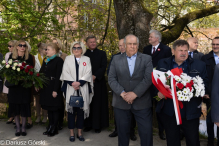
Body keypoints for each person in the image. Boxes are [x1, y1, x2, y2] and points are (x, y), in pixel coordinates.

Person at [156, 40, 208, 146]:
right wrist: (158, 91)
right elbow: (156, 81)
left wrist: (196, 90)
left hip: (190, 111)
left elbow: (205, 84)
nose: (183, 53)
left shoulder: (199, 65)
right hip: (170, 110)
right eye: (180, 50)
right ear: (173, 51)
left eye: (185, 50)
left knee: (193, 141)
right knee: (172, 141)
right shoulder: (163, 63)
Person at [108, 34, 153, 146]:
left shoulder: (147, 59)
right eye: (129, 44)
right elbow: (111, 79)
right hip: (121, 103)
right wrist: (123, 94)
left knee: (146, 133)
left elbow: (148, 79)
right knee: (123, 135)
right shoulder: (116, 59)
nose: (132, 46)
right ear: (124, 45)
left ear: (138, 45)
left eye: (135, 44)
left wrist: (135, 94)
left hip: (142, 102)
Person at [60, 41, 94, 142]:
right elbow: (65, 72)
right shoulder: (68, 59)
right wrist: (73, 83)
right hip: (71, 88)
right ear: (72, 49)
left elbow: (88, 72)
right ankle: (71, 133)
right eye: (74, 48)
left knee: (80, 112)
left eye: (78, 48)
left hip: (82, 88)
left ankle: (79, 132)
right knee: (71, 112)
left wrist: (79, 83)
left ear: (82, 49)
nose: (76, 50)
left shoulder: (86, 59)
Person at [143, 29, 172, 140]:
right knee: (147, 108)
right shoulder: (146, 49)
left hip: (159, 86)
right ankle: (147, 130)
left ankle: (161, 131)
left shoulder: (166, 49)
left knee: (160, 109)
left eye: (151, 37)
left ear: (157, 38)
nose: (149, 38)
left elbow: (168, 67)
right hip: (148, 84)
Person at [107, 39, 137, 141]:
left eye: (123, 45)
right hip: (119, 91)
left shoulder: (136, 57)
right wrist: (120, 90)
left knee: (132, 114)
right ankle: (117, 130)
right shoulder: (115, 57)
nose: (122, 47)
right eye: (120, 45)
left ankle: (131, 132)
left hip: (133, 92)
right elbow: (110, 74)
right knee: (119, 115)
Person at [7, 40, 34, 136]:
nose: (22, 47)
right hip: (14, 87)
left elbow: (31, 70)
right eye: (20, 45)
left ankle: (23, 128)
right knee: (16, 108)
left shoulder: (29, 57)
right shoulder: (12, 56)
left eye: (24, 45)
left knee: (24, 107)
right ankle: (18, 127)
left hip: (24, 86)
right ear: (17, 47)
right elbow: (8, 71)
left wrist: (24, 77)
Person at [84, 35, 109, 133]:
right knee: (88, 103)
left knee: (98, 104)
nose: (93, 43)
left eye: (94, 41)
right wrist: (88, 78)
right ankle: (88, 125)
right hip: (86, 83)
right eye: (91, 42)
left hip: (99, 83)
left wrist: (95, 76)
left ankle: (98, 125)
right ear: (87, 44)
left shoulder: (102, 53)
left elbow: (103, 67)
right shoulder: (84, 54)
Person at [38, 42, 64, 137]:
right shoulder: (46, 60)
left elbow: (59, 77)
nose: (46, 51)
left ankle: (54, 128)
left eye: (48, 49)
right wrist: (38, 84)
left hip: (54, 88)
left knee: (54, 109)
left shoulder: (59, 61)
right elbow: (40, 74)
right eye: (46, 49)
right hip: (46, 88)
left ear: (54, 50)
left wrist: (55, 90)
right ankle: (50, 126)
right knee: (49, 108)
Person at [201, 36, 219, 146]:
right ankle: (210, 140)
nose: (215, 46)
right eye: (213, 44)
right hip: (209, 94)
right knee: (209, 119)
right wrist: (206, 92)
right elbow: (203, 76)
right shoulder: (205, 58)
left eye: (217, 44)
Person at [52, 37, 67, 130]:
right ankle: (53, 122)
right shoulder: (49, 56)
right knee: (53, 103)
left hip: (62, 82)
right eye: (53, 43)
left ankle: (60, 122)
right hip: (52, 83)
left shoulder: (65, 56)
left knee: (60, 103)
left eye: (57, 43)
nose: (55, 44)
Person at [3, 40, 17, 125]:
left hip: (15, 80)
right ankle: (11, 116)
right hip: (8, 78)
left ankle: (16, 116)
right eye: (8, 46)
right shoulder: (7, 54)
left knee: (15, 99)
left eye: (11, 46)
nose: (9, 47)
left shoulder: (17, 54)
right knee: (10, 99)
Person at [34, 42, 47, 124]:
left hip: (46, 82)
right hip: (36, 82)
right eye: (45, 49)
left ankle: (45, 116)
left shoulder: (48, 58)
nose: (46, 50)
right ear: (40, 49)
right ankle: (38, 116)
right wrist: (36, 82)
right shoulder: (34, 57)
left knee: (45, 100)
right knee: (37, 100)